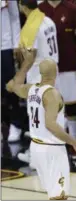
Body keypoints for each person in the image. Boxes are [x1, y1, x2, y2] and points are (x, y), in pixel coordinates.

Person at [6, 48, 76, 200]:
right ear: (56, 72)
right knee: (59, 196)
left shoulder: (31, 89)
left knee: (53, 195)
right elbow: (51, 125)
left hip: (36, 148)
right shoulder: (52, 94)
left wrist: (26, 64)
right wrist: (74, 142)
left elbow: (12, 86)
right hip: (52, 150)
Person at [16, 0, 60, 166]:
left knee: (36, 120)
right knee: (50, 118)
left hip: (38, 77)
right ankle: (51, 155)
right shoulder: (48, 20)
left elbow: (30, 56)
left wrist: (19, 77)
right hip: (53, 73)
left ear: (23, 6)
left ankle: (36, 159)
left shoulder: (31, 26)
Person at [39, 0, 76, 143]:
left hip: (68, 66)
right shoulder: (39, 10)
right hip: (46, 70)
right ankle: (49, 141)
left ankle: (74, 142)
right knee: (48, 108)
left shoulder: (72, 9)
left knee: (71, 107)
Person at [1, 0, 22, 143]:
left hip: (6, 46)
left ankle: (16, 124)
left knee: (11, 87)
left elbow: (15, 17)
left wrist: (16, 44)